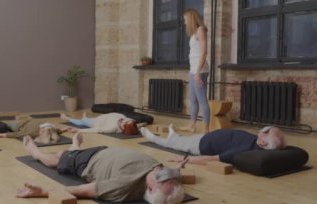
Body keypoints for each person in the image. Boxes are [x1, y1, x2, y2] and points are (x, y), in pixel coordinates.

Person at [16, 133, 185, 204]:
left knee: (57, 157)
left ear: (149, 188)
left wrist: (42, 191)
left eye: (160, 177)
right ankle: (75, 146)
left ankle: (35, 152)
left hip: (86, 162)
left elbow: (83, 191)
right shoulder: (166, 182)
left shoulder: (123, 187)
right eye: (169, 178)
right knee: (70, 152)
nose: (162, 171)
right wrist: (177, 169)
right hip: (104, 151)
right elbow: (171, 178)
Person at [140, 125, 286, 165]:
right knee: (181, 139)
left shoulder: (244, 151)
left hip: (201, 145)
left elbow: (215, 158)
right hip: (207, 137)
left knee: (171, 144)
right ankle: (173, 134)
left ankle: (153, 138)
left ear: (263, 142)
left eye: (267, 130)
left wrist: (185, 159)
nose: (264, 128)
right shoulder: (257, 141)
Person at [180, 8, 210, 133]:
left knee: (202, 100)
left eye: (186, 19)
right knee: (193, 100)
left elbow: (204, 53)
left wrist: (198, 73)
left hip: (200, 71)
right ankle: (192, 125)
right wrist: (193, 72)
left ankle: (206, 130)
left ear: (191, 19)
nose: (185, 22)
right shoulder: (193, 34)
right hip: (193, 70)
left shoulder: (200, 30)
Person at [0, 117, 69, 144]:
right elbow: (17, 134)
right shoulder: (35, 132)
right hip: (22, 124)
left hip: (25, 123)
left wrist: (62, 130)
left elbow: (18, 134)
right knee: (4, 125)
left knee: (5, 126)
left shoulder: (50, 127)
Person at [61, 112, 139, 135]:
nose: (124, 120)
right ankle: (85, 118)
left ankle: (67, 118)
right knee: (84, 120)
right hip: (99, 118)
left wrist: (78, 130)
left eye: (124, 123)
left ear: (123, 128)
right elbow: (133, 125)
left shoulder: (111, 128)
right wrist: (139, 126)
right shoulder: (129, 121)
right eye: (128, 120)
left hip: (96, 122)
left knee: (82, 122)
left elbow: (96, 130)